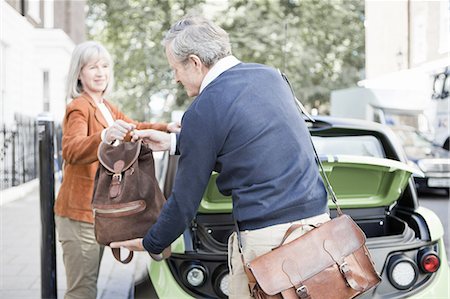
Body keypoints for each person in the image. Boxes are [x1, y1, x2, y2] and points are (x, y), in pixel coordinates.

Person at [110, 16, 329, 298]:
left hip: (268, 243)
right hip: (316, 229)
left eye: (175, 69)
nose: (175, 77)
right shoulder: (271, 77)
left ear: (194, 62)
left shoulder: (204, 107)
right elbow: (250, 143)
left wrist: (152, 242)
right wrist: (176, 142)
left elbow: (185, 202)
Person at [54, 40, 180, 299]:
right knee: (82, 291)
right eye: (92, 67)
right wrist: (104, 136)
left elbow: (133, 126)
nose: (100, 72)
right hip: (78, 215)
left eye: (104, 66)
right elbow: (72, 150)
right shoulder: (79, 107)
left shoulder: (105, 106)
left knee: (90, 286)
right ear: (79, 73)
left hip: (96, 212)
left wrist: (166, 128)